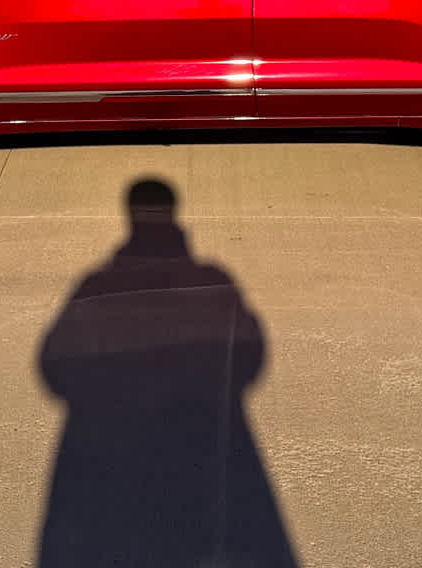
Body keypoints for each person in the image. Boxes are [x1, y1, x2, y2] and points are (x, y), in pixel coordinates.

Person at [37, 178, 299, 567]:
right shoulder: (213, 281)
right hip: (201, 434)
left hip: (115, 443)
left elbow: (53, 363)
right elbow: (252, 352)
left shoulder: (98, 285)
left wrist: (101, 394)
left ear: (129, 217)